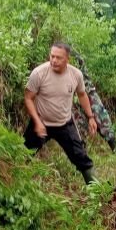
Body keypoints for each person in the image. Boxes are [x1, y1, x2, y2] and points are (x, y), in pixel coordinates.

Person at [23, 43, 98, 185]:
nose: (54, 60)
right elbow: (28, 98)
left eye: (59, 58)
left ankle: (98, 192)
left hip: (64, 124)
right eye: (52, 56)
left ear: (67, 59)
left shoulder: (76, 75)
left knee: (81, 157)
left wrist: (91, 117)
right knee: (24, 155)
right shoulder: (39, 73)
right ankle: (15, 185)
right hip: (41, 123)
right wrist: (37, 122)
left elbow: (82, 94)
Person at [71, 52, 116, 153]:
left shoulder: (74, 55)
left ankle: (115, 148)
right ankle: (81, 153)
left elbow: (85, 77)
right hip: (72, 95)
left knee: (102, 117)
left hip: (88, 90)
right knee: (77, 124)